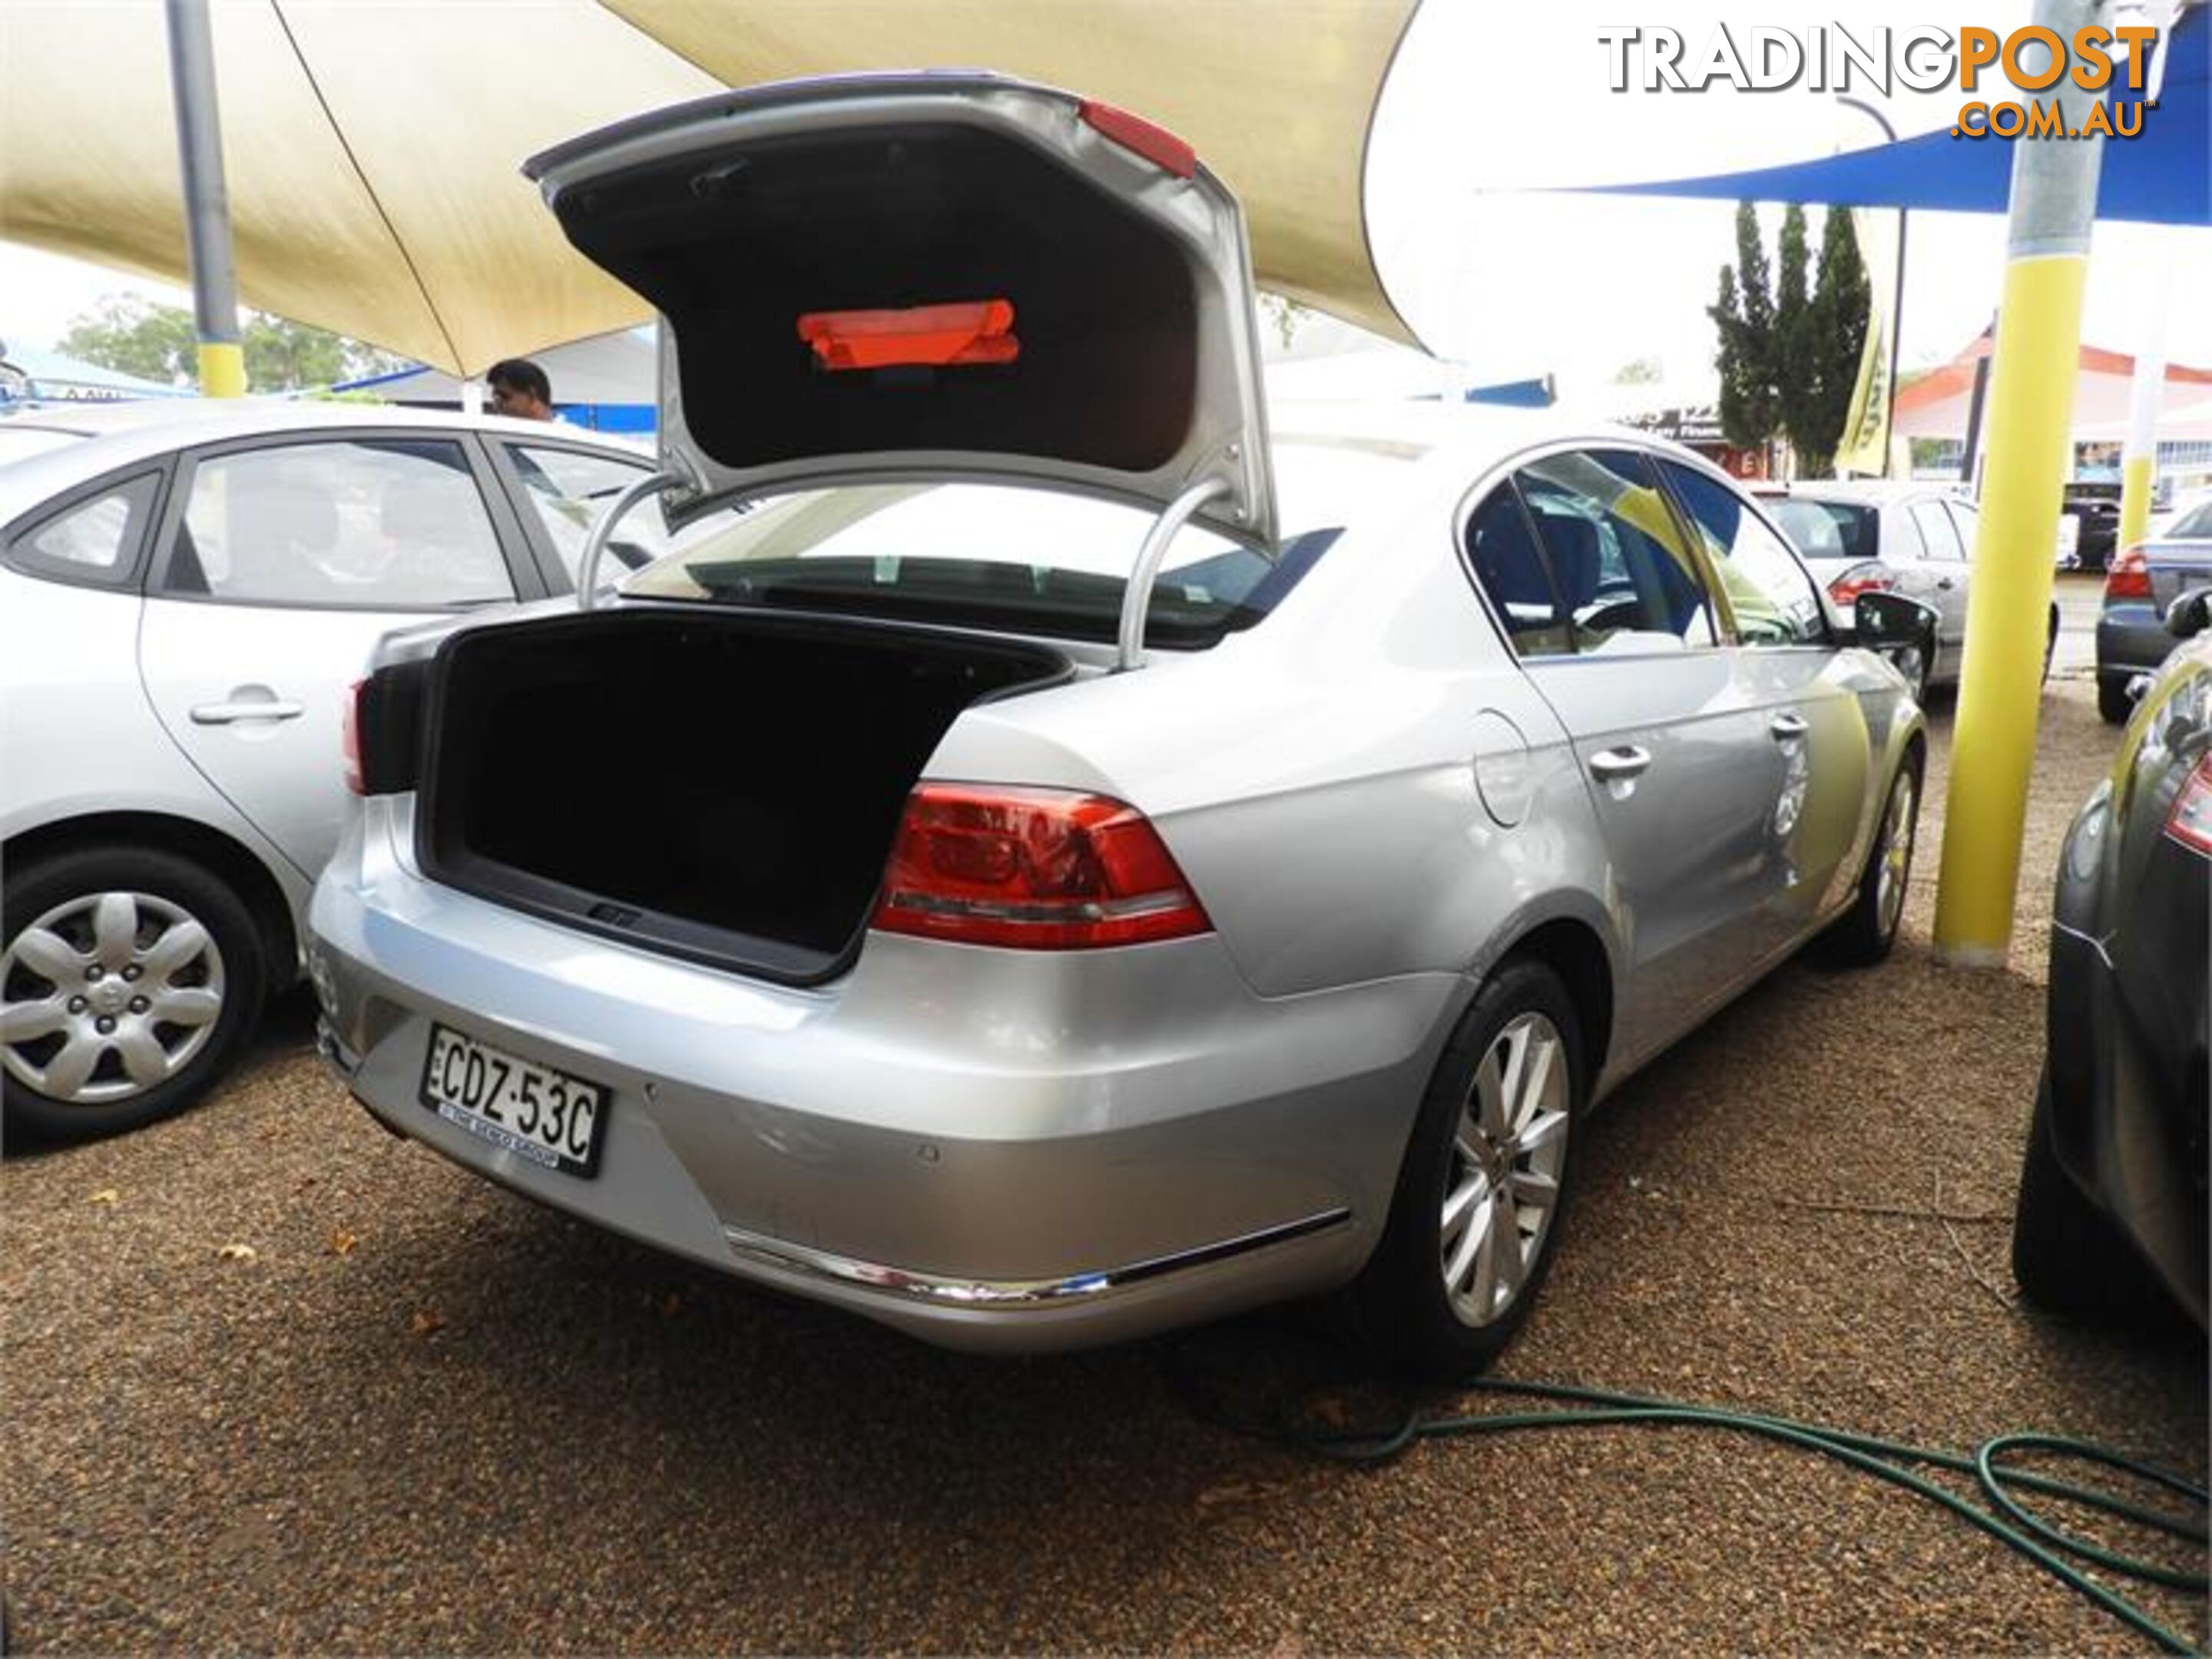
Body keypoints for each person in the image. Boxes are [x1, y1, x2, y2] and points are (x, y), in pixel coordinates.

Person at [485, 357, 556, 421]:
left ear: (532, 396)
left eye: (504, 397)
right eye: (496, 399)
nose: (496, 407)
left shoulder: (564, 432)